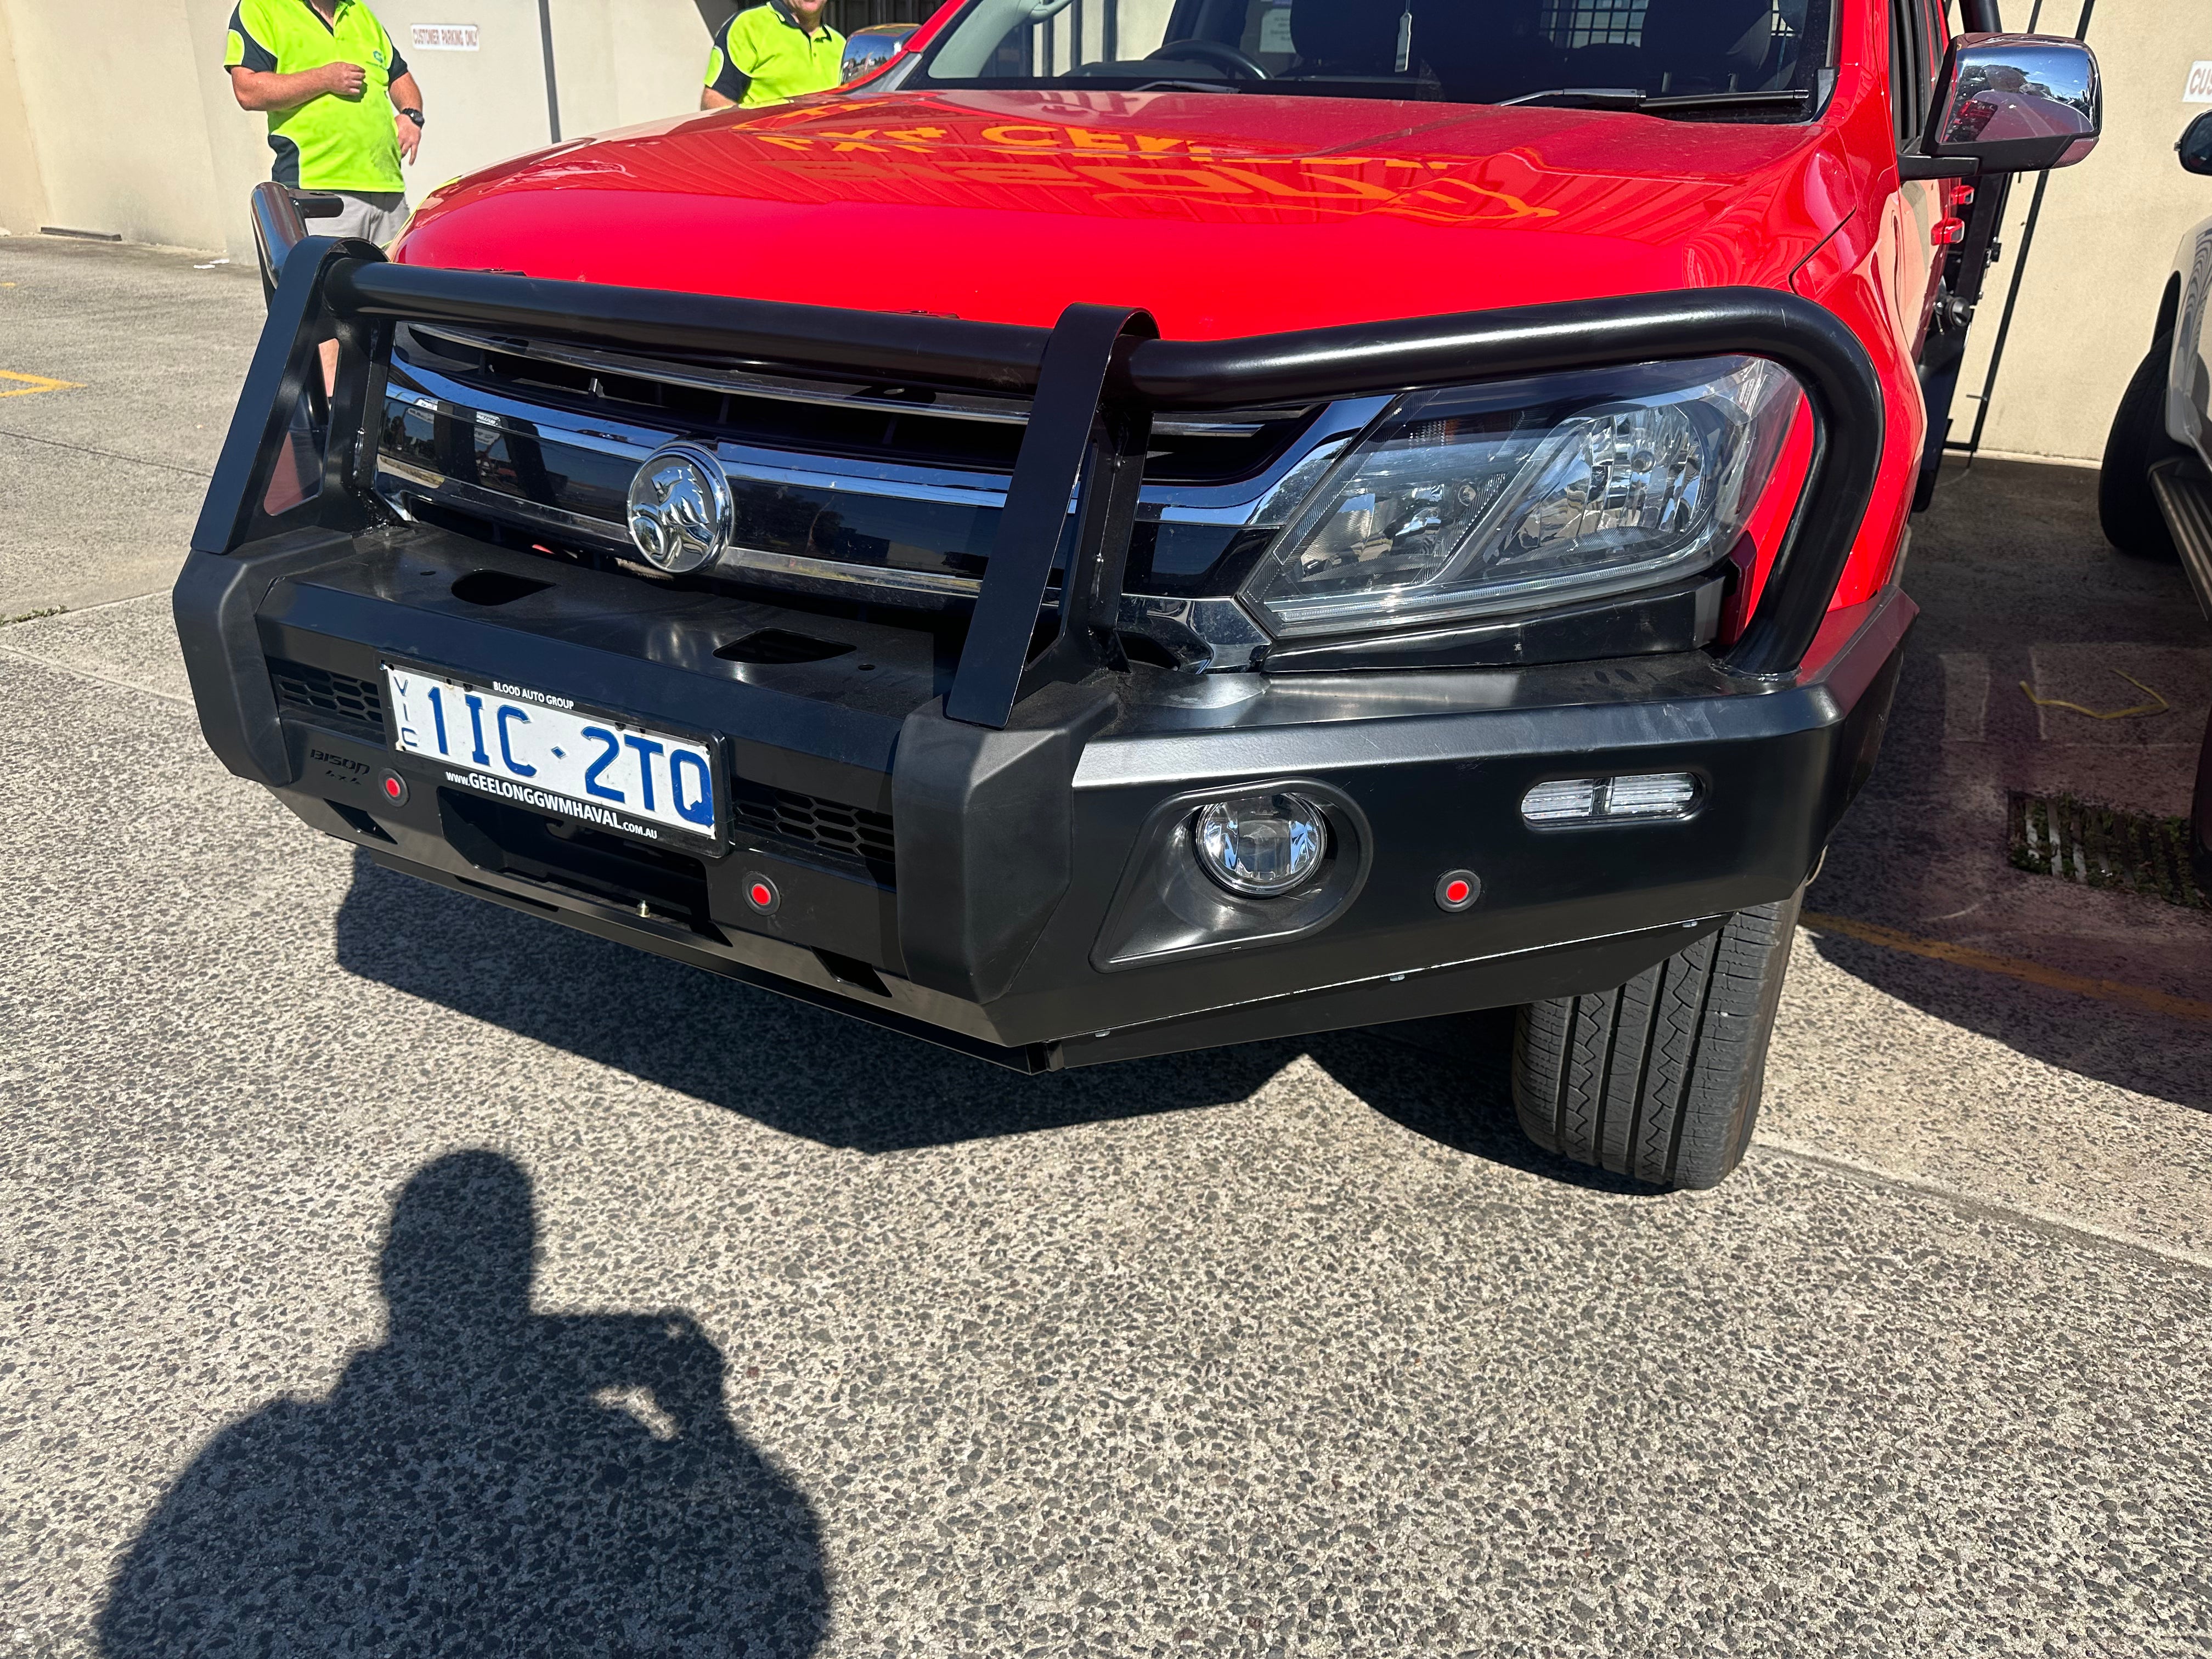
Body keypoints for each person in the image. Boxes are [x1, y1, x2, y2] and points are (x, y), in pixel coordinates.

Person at [225, 0, 422, 391]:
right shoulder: (264, 9)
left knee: (399, 311)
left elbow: (400, 76)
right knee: (330, 313)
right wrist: (324, 78)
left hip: (386, 190)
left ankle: (389, 408)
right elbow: (248, 88)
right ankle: (334, 418)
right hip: (321, 192)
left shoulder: (360, 14)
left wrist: (411, 115)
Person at [701, 0, 846, 110]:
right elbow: (714, 101)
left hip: (823, 147)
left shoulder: (841, 44)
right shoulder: (749, 25)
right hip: (764, 147)